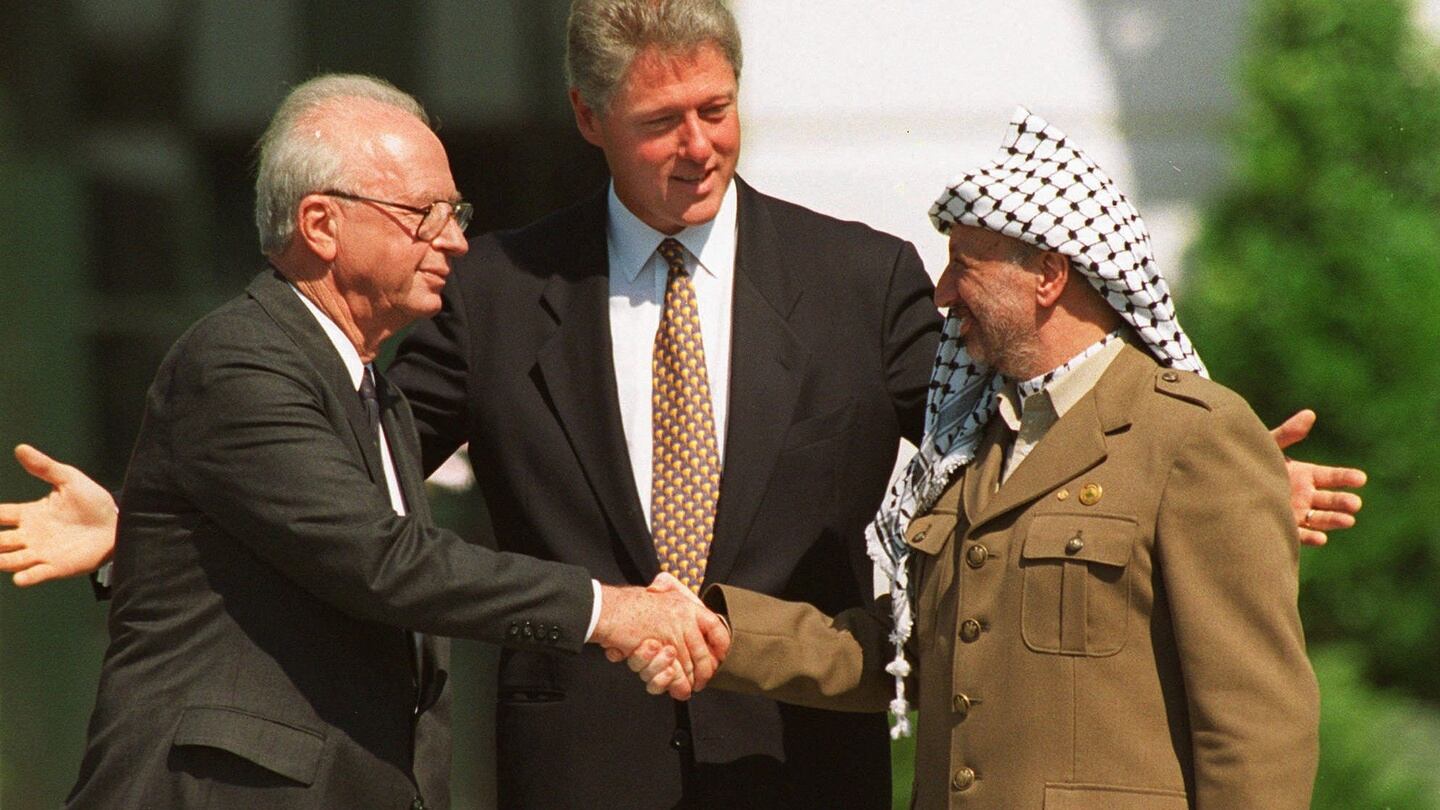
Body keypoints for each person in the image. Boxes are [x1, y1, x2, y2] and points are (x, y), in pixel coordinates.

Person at [0, 3, 1363, 807]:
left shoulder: (860, 275)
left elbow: (994, 443)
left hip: (798, 765)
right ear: (591, 120)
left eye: (718, 108)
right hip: (579, 767)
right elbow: (355, 493)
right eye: (662, 121)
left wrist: (1206, 479)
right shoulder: (493, 287)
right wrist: (158, 522)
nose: (698, 143)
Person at [52, 74, 726, 810]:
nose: (457, 239)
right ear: (320, 224)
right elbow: (383, 562)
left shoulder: (378, 393)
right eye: (425, 213)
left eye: (457, 211)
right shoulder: (238, 361)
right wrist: (609, 611)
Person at [630, 107, 1323, 808]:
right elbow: (906, 654)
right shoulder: (977, 446)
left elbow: (1256, 727)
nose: (941, 293)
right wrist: (722, 633)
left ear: (1048, 275)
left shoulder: (1193, 439)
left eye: (965, 264)